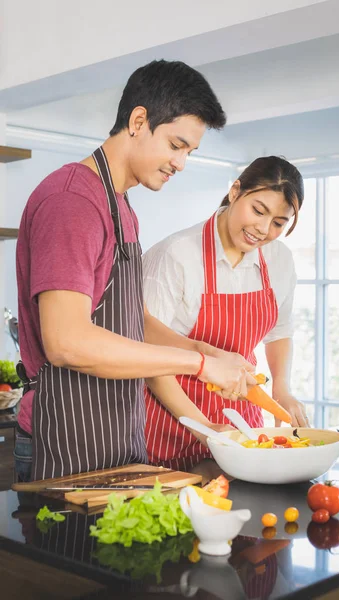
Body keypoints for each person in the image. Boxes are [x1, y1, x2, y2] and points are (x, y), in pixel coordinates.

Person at [14, 59, 256, 482]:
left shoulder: (121, 205)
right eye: (176, 145)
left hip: (117, 437)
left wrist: (205, 352)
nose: (181, 163)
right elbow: (66, 342)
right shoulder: (72, 201)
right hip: (64, 439)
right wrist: (198, 366)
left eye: (189, 152)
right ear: (139, 120)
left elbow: (133, 323)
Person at [143, 156, 309, 470]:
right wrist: (204, 428)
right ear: (235, 192)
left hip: (242, 427)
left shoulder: (279, 260)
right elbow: (150, 358)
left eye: (278, 223)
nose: (262, 229)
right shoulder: (176, 255)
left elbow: (280, 332)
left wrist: (282, 390)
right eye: (258, 210)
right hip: (169, 425)